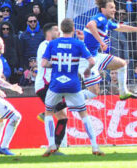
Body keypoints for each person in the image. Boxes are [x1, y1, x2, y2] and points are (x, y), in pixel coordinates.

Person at [41, 18, 104, 156]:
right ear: (73, 29)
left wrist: (55, 65)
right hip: (73, 84)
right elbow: (92, 61)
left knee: (48, 113)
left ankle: (51, 144)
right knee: (84, 114)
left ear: (61, 30)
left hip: (56, 84)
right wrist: (87, 70)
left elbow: (43, 64)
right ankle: (95, 147)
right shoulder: (78, 44)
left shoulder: (53, 43)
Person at [81, 0, 137, 101]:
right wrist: (101, 42)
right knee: (94, 93)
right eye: (111, 7)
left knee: (122, 64)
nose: (114, 10)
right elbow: (90, 25)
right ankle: (65, 102)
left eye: (114, 7)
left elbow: (120, 27)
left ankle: (123, 92)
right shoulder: (100, 18)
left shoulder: (107, 22)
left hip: (95, 56)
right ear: (103, 9)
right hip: (86, 60)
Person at [35, 23, 68, 153]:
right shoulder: (45, 45)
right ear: (48, 33)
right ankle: (53, 146)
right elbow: (45, 63)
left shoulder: (54, 46)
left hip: (54, 85)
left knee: (63, 117)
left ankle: (55, 147)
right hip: (45, 84)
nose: (58, 31)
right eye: (55, 30)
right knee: (62, 112)